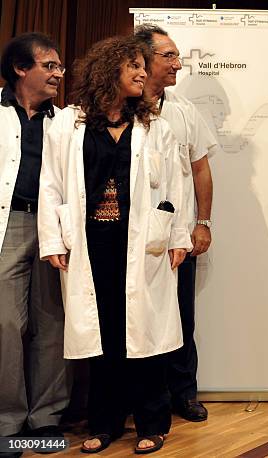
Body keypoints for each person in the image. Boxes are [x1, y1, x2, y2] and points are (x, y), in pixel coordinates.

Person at [37, 36, 191, 454]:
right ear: (109, 71)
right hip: (91, 244)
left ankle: (153, 422)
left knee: (144, 336)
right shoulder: (69, 123)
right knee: (103, 335)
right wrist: (52, 239)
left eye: (144, 65)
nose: (144, 73)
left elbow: (179, 184)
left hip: (143, 245)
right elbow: (50, 185)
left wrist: (179, 235)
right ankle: (103, 423)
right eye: (134, 66)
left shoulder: (155, 126)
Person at [134, 23, 216, 423]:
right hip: (132, 239)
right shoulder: (121, 110)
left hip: (177, 238)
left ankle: (183, 393)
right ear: (141, 61)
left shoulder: (185, 113)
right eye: (168, 56)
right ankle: (140, 399)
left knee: (182, 315)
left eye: (176, 55)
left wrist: (203, 221)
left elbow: (201, 171)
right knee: (137, 317)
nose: (177, 64)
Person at [0, 32, 71, 445]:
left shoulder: (65, 121)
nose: (58, 74)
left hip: (51, 228)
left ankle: (46, 418)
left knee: (52, 323)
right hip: (8, 225)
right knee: (7, 324)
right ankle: (8, 422)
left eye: (60, 67)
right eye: (49, 65)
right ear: (20, 68)